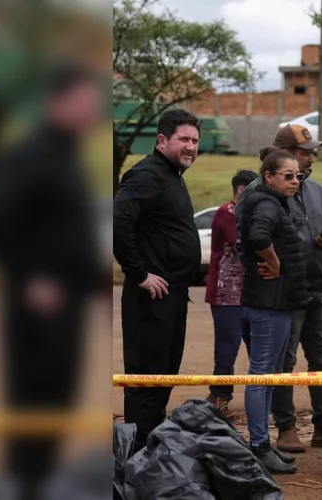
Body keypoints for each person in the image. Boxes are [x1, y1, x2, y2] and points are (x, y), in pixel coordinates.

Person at [0, 63, 107, 497]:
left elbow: (65, 230)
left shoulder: (65, 154)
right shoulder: (31, 152)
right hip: (36, 304)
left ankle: (39, 480)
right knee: (33, 397)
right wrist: (30, 278)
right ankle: (24, 481)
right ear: (58, 100)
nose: (92, 111)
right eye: (85, 101)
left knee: (59, 395)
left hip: (68, 301)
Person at [241, 125, 322, 452]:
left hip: (317, 286)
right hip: (282, 294)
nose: (310, 158)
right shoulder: (262, 193)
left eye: (311, 153)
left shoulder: (316, 190)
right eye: (303, 152)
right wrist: (274, 260)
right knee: (282, 363)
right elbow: (252, 236)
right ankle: (285, 427)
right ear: (280, 154)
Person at [113, 108, 203, 445]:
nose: (191, 146)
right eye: (184, 139)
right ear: (162, 140)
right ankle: (136, 462)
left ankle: (153, 455)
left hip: (173, 296)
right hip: (149, 299)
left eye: (195, 140)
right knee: (145, 385)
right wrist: (138, 273)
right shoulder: (148, 174)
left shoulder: (172, 176)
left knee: (163, 380)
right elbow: (117, 221)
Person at [235, 150, 309, 474]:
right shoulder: (266, 204)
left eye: (298, 176)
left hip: (276, 303)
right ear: (268, 176)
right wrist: (276, 262)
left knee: (271, 374)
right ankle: (258, 445)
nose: (295, 181)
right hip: (268, 304)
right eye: (288, 176)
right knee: (262, 374)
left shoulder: (273, 202)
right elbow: (258, 236)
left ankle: (263, 444)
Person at [205, 170, 258, 420]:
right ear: (240, 191)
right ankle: (218, 399)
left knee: (257, 348)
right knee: (227, 350)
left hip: (248, 295)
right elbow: (243, 244)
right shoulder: (228, 213)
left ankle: (256, 398)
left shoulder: (247, 213)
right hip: (226, 295)